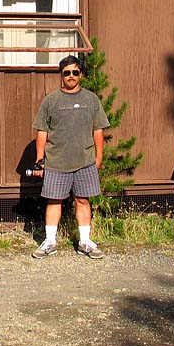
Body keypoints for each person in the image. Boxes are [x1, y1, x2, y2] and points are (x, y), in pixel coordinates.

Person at [30, 55, 109, 259]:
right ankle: (49, 242)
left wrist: (98, 157)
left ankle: (85, 242)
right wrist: (39, 161)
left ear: (81, 74)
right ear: (61, 75)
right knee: (54, 200)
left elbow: (98, 130)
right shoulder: (51, 100)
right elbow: (41, 132)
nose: (71, 76)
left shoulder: (91, 99)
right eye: (67, 72)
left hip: (84, 162)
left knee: (83, 200)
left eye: (75, 72)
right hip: (56, 162)